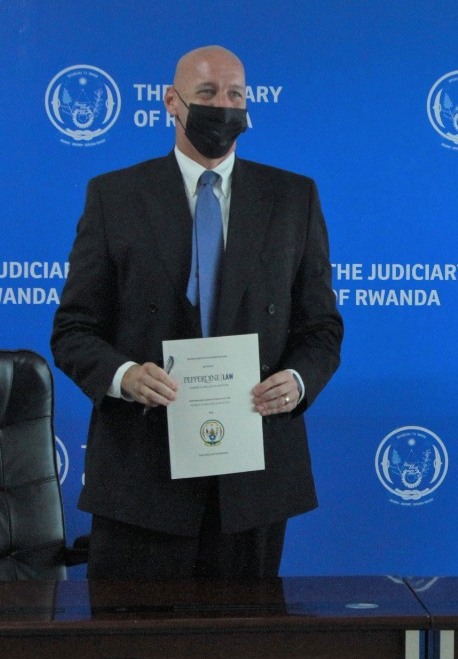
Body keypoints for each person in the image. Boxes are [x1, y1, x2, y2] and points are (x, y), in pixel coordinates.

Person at [51, 45, 343, 580]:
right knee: (132, 651)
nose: (223, 106)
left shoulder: (293, 197)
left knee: (241, 656)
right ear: (172, 102)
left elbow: (322, 327)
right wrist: (123, 376)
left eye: (236, 94)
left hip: (253, 475)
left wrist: (298, 381)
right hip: (140, 474)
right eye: (207, 93)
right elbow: (73, 331)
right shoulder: (114, 196)